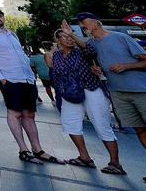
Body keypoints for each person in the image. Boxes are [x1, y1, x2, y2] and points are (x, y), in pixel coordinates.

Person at [70, 13, 146, 186]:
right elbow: (85, 47)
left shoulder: (120, 37)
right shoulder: (92, 44)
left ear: (96, 22)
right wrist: (96, 69)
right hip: (119, 93)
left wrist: (126, 66)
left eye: (83, 23)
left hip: (142, 91)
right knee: (141, 132)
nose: (82, 26)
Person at [0, 6, 60, 165]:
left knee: (29, 115)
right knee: (15, 114)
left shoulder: (12, 34)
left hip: (27, 79)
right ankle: (23, 150)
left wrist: (30, 73)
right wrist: (2, 79)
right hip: (10, 80)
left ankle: (38, 150)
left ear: (3, 17)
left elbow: (21, 55)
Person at [49, 26, 123, 175]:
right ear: (58, 40)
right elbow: (56, 73)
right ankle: (84, 157)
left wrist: (74, 36)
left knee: (102, 125)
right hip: (70, 94)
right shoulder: (56, 56)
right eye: (65, 37)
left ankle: (115, 163)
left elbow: (91, 50)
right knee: (70, 124)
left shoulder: (81, 51)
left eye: (71, 36)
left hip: (90, 89)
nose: (69, 39)